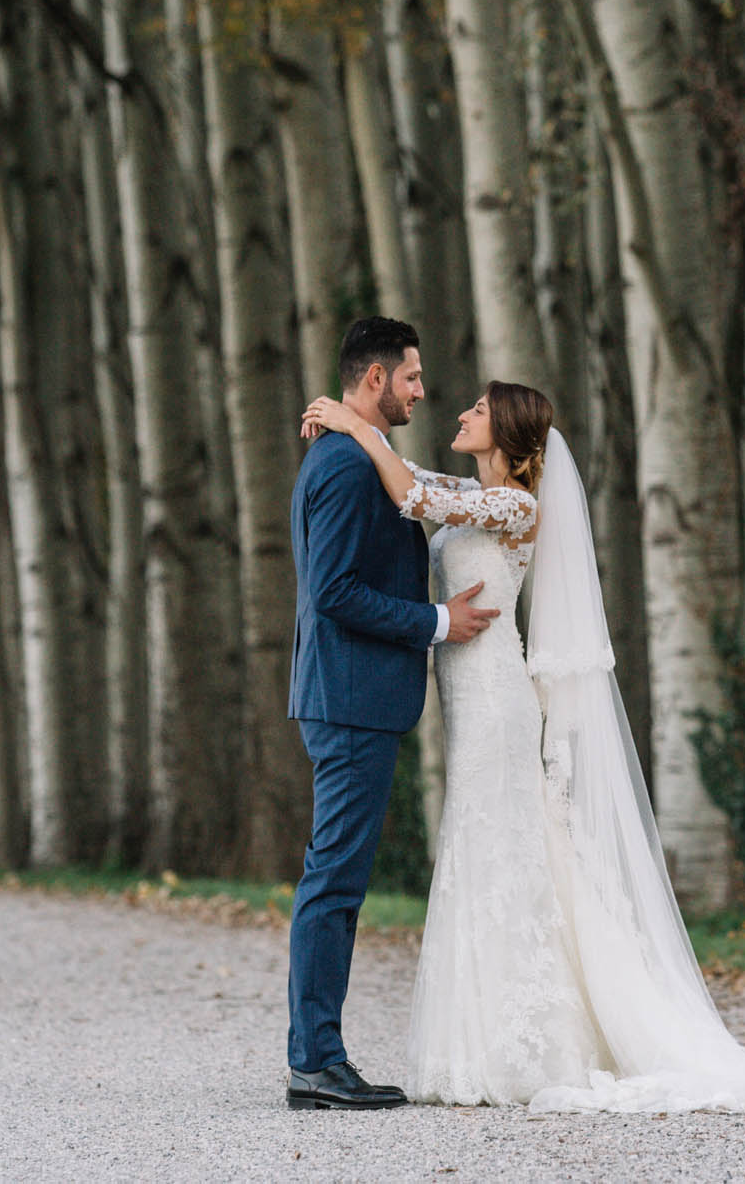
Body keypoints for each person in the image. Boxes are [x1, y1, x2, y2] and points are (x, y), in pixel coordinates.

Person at [301, 381, 745, 1115]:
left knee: (500, 854)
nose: (460, 413)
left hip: (497, 704)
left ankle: (529, 1043)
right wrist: (350, 431)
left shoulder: (516, 507)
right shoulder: (470, 489)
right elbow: (409, 480)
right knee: (478, 853)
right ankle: (479, 1040)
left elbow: (407, 492)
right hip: (467, 702)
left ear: (506, 434)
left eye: (477, 411)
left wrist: (349, 420)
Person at [283, 318, 498, 1111]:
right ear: (374, 379)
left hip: (354, 698)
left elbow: (412, 489)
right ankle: (315, 1060)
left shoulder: (356, 452)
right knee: (333, 881)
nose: (419, 390)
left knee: (336, 878)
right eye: (409, 377)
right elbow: (333, 591)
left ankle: (317, 1055)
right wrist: (439, 622)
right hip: (347, 700)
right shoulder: (342, 464)